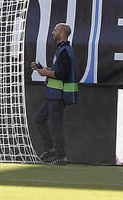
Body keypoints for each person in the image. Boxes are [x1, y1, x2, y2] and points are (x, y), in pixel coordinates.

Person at [31, 22, 77, 165]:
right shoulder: (61, 49)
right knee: (39, 119)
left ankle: (61, 157)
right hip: (52, 94)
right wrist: (42, 68)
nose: (52, 32)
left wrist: (45, 72)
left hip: (58, 96)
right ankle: (50, 149)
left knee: (56, 126)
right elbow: (58, 70)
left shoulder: (65, 51)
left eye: (55, 30)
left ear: (62, 33)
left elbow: (62, 74)